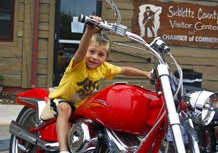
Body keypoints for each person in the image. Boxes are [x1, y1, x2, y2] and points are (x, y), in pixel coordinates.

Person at [48, 16, 152, 153]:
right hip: (62, 99)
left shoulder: (104, 68)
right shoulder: (79, 64)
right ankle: (63, 149)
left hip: (82, 104)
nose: (95, 57)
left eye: (101, 54)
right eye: (91, 52)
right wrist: (89, 29)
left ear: (106, 58)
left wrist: (146, 74)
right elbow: (81, 50)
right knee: (65, 109)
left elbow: (125, 70)